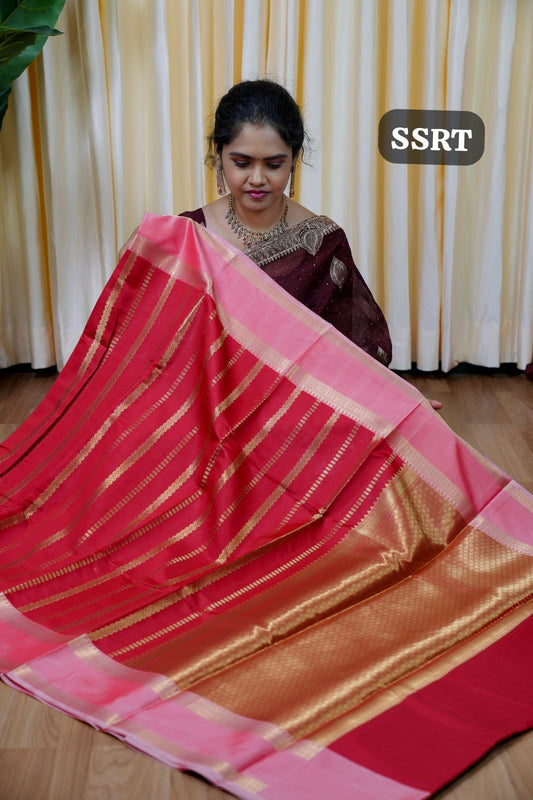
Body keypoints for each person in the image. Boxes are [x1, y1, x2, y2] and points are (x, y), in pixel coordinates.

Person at [180, 79, 392, 368]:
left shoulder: (322, 244)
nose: (257, 178)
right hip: (207, 391)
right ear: (218, 154)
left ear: (293, 158)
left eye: (273, 164)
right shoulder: (188, 235)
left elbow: (358, 351)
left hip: (295, 393)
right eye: (241, 163)